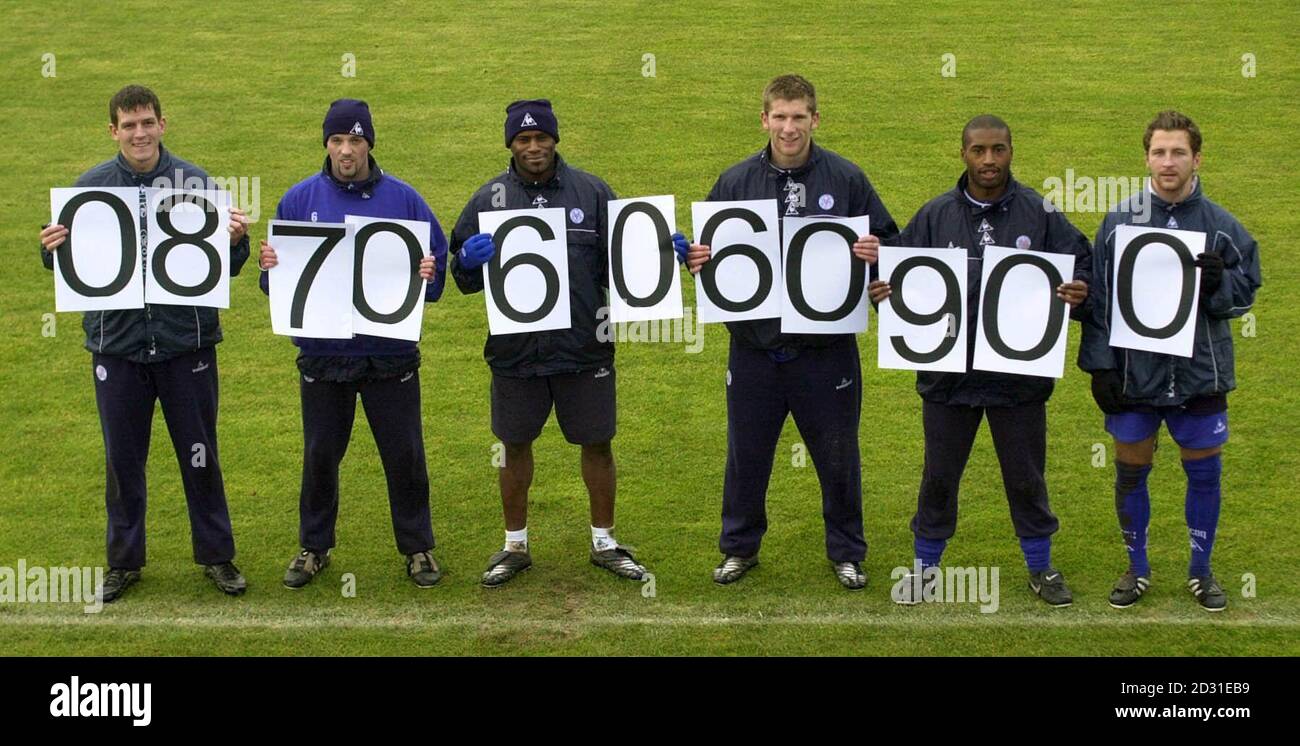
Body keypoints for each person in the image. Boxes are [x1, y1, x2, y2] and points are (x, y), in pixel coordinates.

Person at [681, 74, 898, 589]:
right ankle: (739, 548)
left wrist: (878, 255)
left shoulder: (846, 179)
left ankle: (846, 551)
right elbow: (707, 251)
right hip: (754, 348)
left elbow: (892, 242)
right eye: (779, 116)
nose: (789, 127)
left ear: (815, 119)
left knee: (838, 454)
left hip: (826, 351)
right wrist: (695, 259)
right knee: (747, 455)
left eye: (799, 116)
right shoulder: (735, 182)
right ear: (764, 120)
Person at [38, 84, 251, 602]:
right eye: (129, 125)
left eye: (147, 122)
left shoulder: (196, 183)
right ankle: (124, 561)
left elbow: (223, 270)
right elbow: (72, 269)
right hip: (118, 349)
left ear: (163, 124)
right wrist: (50, 251)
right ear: (114, 130)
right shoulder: (89, 189)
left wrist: (237, 244)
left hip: (187, 346)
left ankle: (217, 556)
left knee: (200, 455)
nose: (140, 133)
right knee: (122, 460)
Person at [450, 99, 675, 587]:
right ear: (510, 144)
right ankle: (514, 545)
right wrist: (466, 261)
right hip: (516, 350)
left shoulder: (592, 192)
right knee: (514, 446)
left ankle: (604, 541)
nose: (534, 147)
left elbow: (626, 264)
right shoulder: (487, 199)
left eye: (541, 138)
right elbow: (460, 277)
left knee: (597, 442)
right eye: (523, 140)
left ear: (556, 139)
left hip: (583, 346)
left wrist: (661, 251)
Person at [869, 115, 1090, 607]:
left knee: (1027, 477)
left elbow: (1084, 263)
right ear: (963, 153)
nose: (989, 161)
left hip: (1018, 381)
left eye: (998, 150)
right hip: (949, 378)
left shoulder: (1041, 213)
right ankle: (926, 570)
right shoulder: (934, 215)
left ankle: (1041, 568)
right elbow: (896, 272)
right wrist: (881, 292)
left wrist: (1081, 292)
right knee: (940, 476)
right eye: (979, 151)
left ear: (1012, 150)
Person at [258, 98, 447, 589]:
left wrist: (429, 273)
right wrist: (270, 269)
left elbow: (437, 268)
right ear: (327, 143)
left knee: (404, 454)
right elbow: (277, 285)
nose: (347, 150)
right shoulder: (298, 200)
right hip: (323, 357)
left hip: (389, 354)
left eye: (356, 141)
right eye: (339, 140)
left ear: (369, 144)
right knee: (320, 454)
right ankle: (313, 546)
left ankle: (418, 547)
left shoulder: (405, 200)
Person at [1078, 110, 1260, 612]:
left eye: (1179, 152)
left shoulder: (1222, 227)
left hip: (1201, 374)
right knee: (1131, 471)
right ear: (1147, 158)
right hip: (1135, 375)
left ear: (1197, 158)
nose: (1168, 161)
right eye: (1159, 152)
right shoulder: (1117, 222)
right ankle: (1136, 569)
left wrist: (1222, 283)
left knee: (1204, 474)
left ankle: (1201, 572)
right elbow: (1098, 301)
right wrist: (1100, 366)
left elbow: (1248, 294)